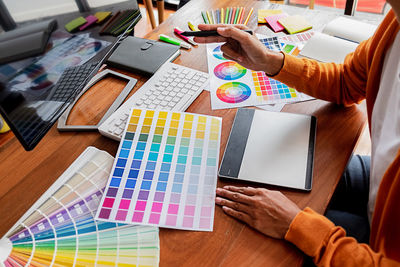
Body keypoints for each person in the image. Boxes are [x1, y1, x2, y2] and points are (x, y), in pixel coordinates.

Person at [194, 0, 400, 266]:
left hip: (377, 248)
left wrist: (297, 224)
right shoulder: (394, 23)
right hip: (380, 186)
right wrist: (269, 61)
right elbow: (347, 82)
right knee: (258, 179)